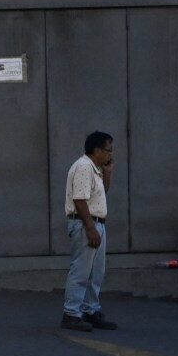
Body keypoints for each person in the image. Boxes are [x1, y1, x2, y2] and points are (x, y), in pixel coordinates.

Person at [61, 132, 118, 333]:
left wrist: (108, 172)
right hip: (87, 223)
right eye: (108, 150)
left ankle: (90, 309)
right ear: (97, 150)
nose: (110, 155)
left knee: (96, 272)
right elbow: (79, 199)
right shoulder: (84, 167)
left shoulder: (95, 169)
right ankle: (71, 313)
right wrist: (91, 228)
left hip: (95, 222)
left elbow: (100, 193)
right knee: (81, 271)